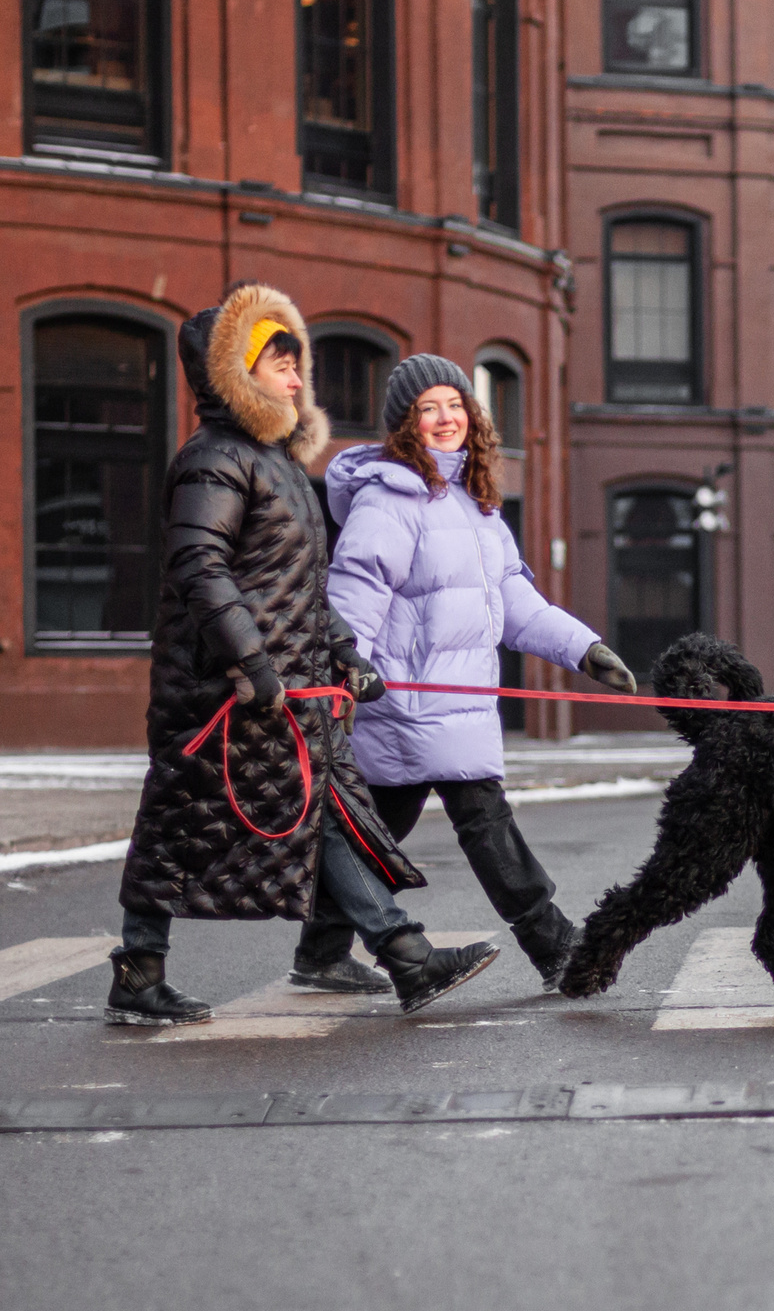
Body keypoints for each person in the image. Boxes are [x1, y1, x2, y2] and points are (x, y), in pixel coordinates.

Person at [108, 285, 500, 1025]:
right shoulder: (213, 458)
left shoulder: (276, 460)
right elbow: (199, 565)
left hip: (284, 683)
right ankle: (402, 953)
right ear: (236, 374)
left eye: (297, 365)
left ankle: (398, 954)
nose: (296, 380)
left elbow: (299, 584)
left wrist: (344, 651)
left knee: (310, 814)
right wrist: (250, 663)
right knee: (182, 821)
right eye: (280, 364)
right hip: (224, 689)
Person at [325, 353, 637, 991]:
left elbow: (513, 598)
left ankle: (320, 950)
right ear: (406, 422)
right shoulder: (389, 499)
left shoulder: (476, 501)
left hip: (457, 702)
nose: (446, 418)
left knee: (375, 832)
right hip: (406, 701)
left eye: (455, 404)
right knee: (483, 822)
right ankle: (557, 947)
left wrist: (583, 649)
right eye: (428, 408)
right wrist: (345, 671)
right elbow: (354, 592)